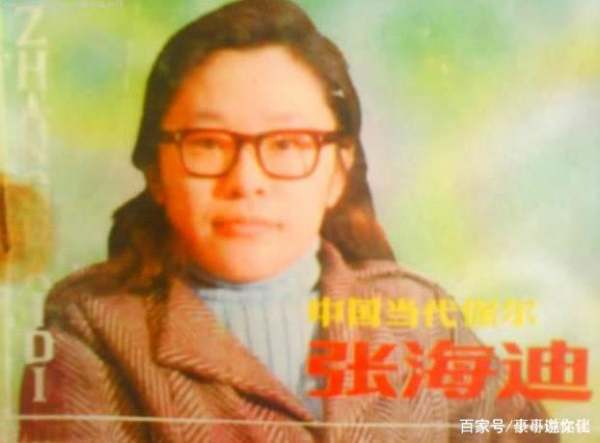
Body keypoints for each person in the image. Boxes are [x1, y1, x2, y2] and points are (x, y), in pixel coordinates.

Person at [19, 1, 556, 442]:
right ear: (157, 172)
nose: (246, 180)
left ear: (337, 172)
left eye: (287, 144)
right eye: (207, 143)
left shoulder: (418, 314)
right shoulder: (93, 331)